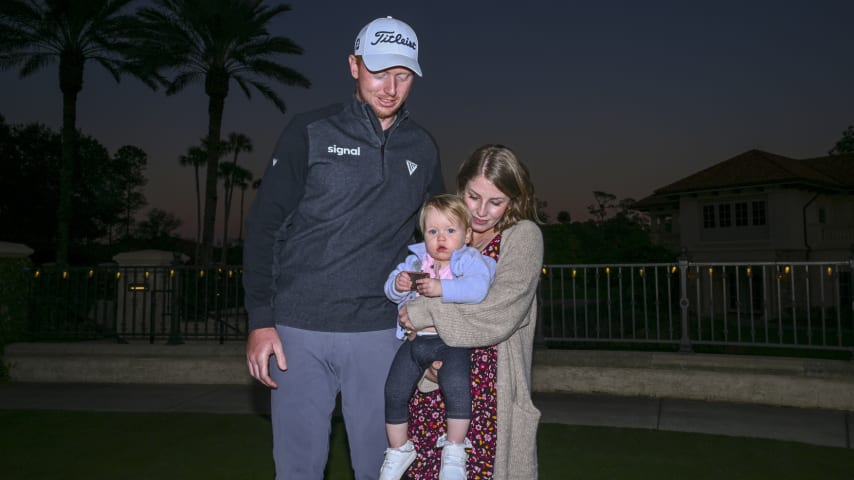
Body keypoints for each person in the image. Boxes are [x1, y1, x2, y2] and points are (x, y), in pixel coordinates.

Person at [242, 16, 444, 479]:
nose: (390, 87)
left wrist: (437, 324)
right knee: (298, 468)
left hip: (380, 331)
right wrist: (261, 320)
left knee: (381, 467)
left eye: (403, 75)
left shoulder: (423, 147)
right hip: (297, 331)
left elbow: (437, 241)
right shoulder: (309, 131)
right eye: (379, 72)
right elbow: (264, 228)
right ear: (354, 66)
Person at [398, 144, 544, 480]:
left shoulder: (521, 237)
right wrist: (426, 364)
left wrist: (426, 311)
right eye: (473, 196)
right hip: (436, 391)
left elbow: (498, 315)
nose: (481, 211)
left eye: (496, 202)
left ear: (515, 200)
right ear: (460, 186)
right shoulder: (450, 236)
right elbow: (410, 307)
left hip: (488, 401)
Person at [380, 194, 497, 480]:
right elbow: (390, 292)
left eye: (450, 230)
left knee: (457, 387)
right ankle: (399, 449)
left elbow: (478, 289)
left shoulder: (471, 260)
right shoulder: (416, 260)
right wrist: (398, 283)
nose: (440, 238)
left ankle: (455, 450)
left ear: (467, 235)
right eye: (433, 231)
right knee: (394, 391)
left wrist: (441, 287)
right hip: (415, 341)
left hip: (450, 342)